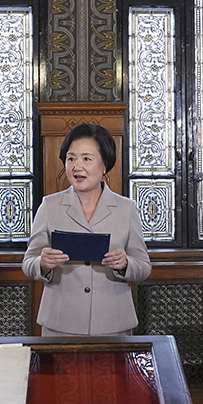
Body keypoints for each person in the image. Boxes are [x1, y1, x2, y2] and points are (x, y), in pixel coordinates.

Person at [22, 123, 152, 335]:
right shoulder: (49, 206)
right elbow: (29, 263)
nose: (76, 167)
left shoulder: (126, 209)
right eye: (71, 158)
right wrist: (42, 264)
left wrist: (125, 264)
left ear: (104, 165)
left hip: (113, 323)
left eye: (86, 159)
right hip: (60, 323)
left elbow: (144, 267)